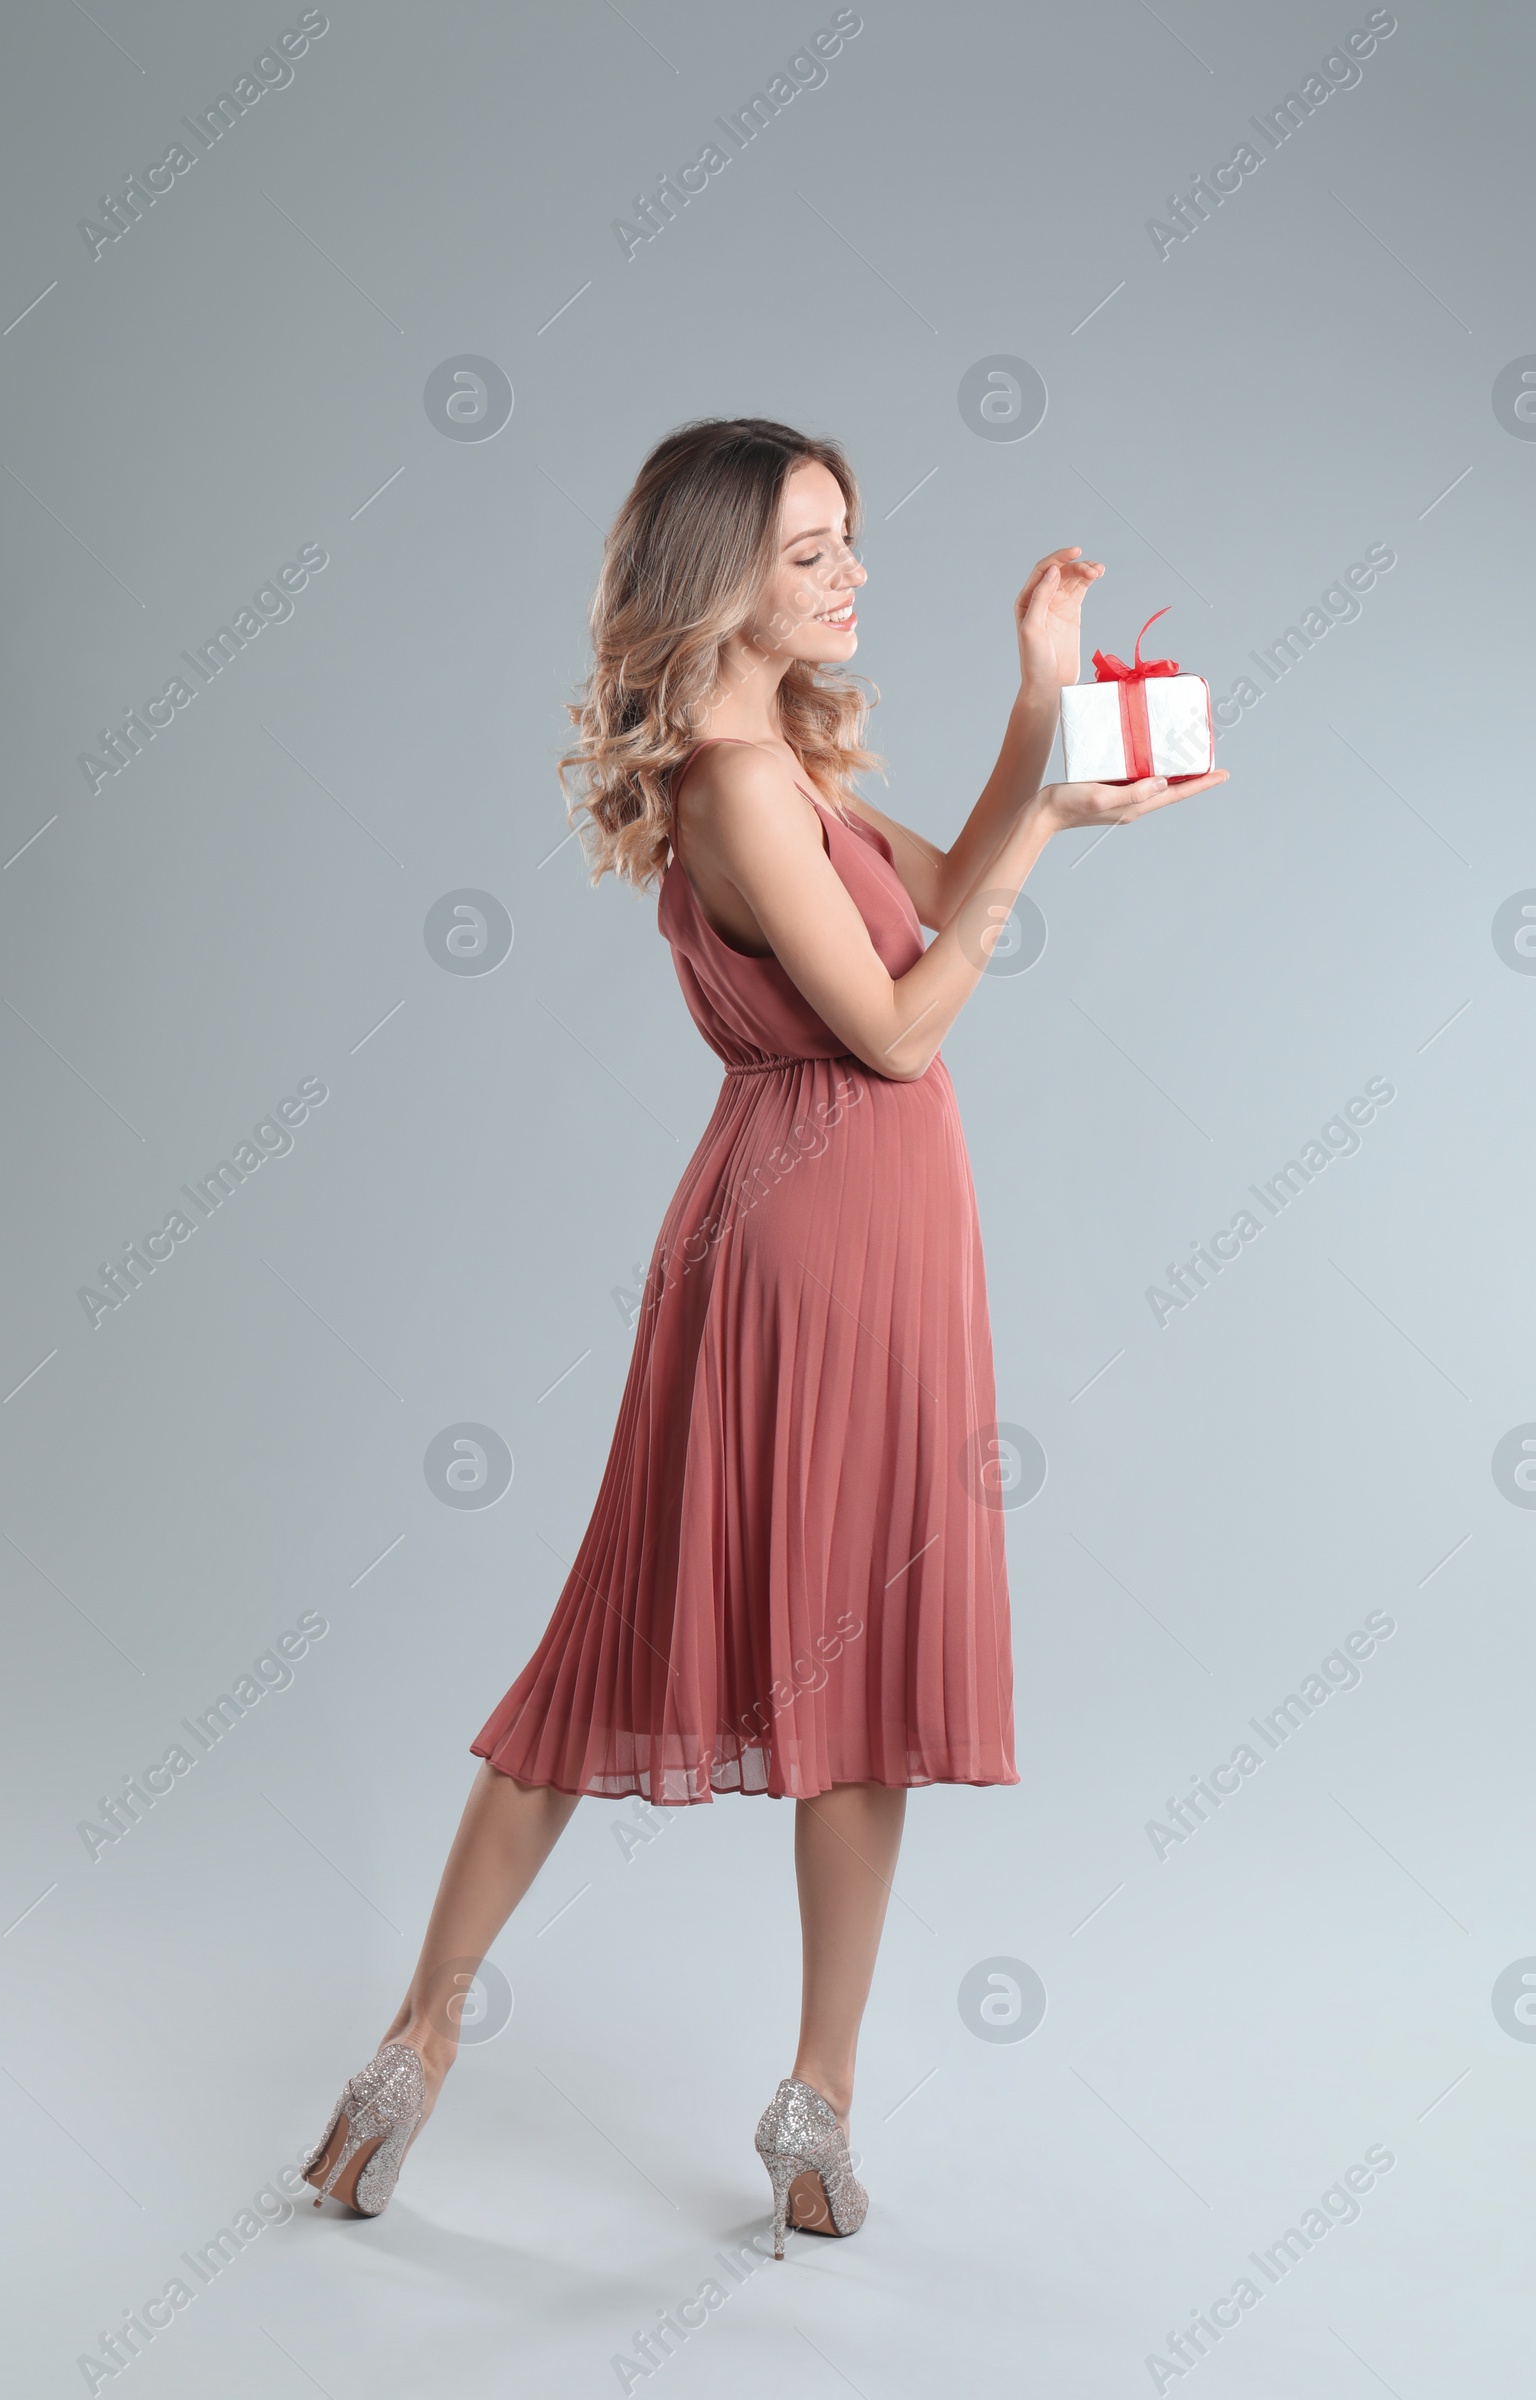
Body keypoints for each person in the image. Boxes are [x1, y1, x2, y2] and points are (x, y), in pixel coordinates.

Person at [302, 416, 1227, 2254]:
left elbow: (945, 903)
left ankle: (819, 2101)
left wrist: (1045, 711)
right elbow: (896, 1031)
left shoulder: (787, 755)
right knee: (622, 1635)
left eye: (849, 541)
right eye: (812, 550)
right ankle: (416, 2045)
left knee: (866, 1665)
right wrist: (1046, 825)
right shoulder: (731, 780)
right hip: (796, 1240)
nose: (849, 575)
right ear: (720, 579)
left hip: (890, 1244)